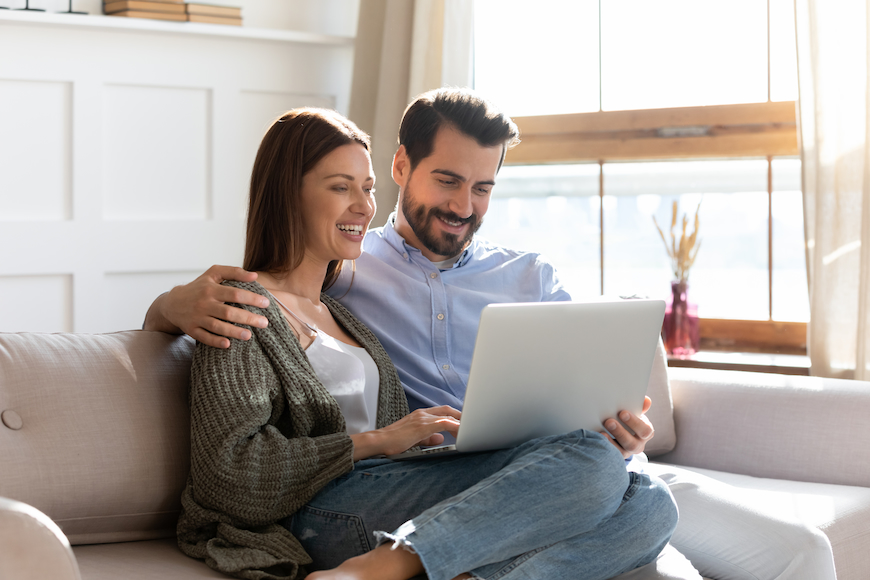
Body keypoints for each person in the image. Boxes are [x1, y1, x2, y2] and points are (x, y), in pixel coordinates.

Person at [151, 89, 837, 580]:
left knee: (646, 495)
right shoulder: (301, 292)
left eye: (482, 187)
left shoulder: (363, 303)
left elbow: (595, 387)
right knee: (610, 481)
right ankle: (390, 567)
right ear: (403, 169)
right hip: (370, 495)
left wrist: (619, 423)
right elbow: (230, 469)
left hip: (525, 478)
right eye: (447, 180)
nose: (461, 204)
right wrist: (168, 306)